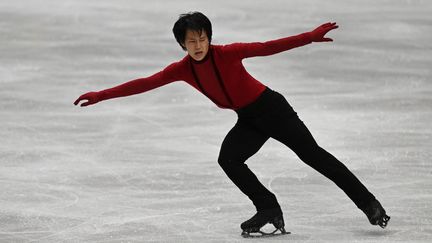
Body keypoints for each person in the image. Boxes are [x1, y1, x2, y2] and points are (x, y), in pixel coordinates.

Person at [74, 12, 390, 237]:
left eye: (202, 38)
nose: (198, 44)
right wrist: (102, 95)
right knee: (229, 159)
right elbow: (145, 82)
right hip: (249, 119)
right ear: (182, 44)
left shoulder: (228, 54)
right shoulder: (182, 69)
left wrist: (309, 37)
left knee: (313, 156)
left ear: (210, 38)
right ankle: (268, 208)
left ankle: (370, 205)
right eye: (191, 40)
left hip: (272, 109)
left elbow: (268, 47)